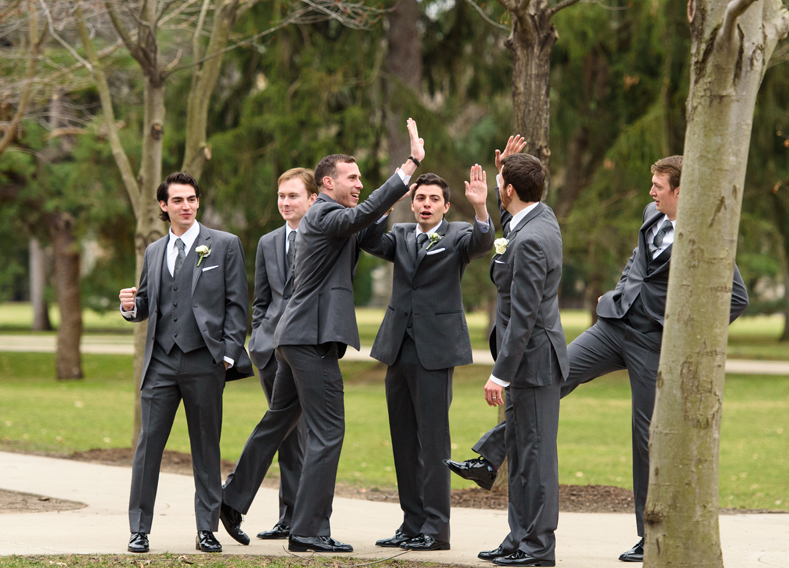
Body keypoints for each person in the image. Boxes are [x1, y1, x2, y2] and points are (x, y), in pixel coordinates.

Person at [446, 153, 750, 563]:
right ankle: (492, 458)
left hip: (652, 342)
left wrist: (680, 335)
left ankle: (649, 536)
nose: (650, 192)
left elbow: (736, 298)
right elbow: (639, 260)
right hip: (612, 326)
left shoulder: (708, 235)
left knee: (646, 438)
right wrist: (621, 288)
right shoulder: (651, 213)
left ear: (680, 190)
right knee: (551, 377)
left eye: (658, 186)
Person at [219, 118, 425, 554]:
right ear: (327, 183)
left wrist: (387, 204)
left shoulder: (331, 218)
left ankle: (231, 498)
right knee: (328, 431)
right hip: (309, 340)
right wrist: (406, 168)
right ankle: (309, 531)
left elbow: (368, 231)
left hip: (296, 339)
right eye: (352, 177)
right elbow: (361, 215)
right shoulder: (324, 212)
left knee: (278, 419)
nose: (359, 182)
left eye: (361, 178)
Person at [118, 172, 252, 554]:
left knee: (206, 449)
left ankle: (206, 529)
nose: (187, 206)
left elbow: (236, 305)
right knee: (148, 448)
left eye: (192, 199)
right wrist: (130, 308)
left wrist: (226, 354)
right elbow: (146, 305)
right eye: (178, 200)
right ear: (164, 206)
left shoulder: (224, 245)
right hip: (159, 363)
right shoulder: (154, 252)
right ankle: (139, 529)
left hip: (205, 362)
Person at [362, 170, 494, 551]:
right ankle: (411, 523)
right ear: (412, 201)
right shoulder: (401, 235)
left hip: (436, 351)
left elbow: (484, 242)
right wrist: (388, 201)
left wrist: (482, 205)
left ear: (446, 205)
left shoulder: (458, 236)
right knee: (403, 441)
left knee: (434, 442)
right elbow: (370, 239)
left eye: (434, 199)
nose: (426, 205)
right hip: (396, 347)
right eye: (421, 198)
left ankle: (437, 531)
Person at [478, 147, 569, 567]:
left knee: (535, 458)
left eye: (501, 186)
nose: (498, 191)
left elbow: (525, 317)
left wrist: (500, 375)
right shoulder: (535, 217)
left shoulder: (532, 239)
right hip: (528, 362)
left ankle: (537, 548)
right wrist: (505, 173)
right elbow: (508, 227)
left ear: (510, 190)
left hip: (532, 362)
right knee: (520, 455)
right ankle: (518, 537)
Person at [224, 168, 317, 543]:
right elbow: (261, 299)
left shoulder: (325, 235)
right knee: (286, 437)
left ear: (312, 199)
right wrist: (260, 337)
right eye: (281, 196)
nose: (285, 202)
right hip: (269, 351)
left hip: (308, 347)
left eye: (293, 196)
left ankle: (298, 517)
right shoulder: (267, 242)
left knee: (304, 432)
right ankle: (289, 517)